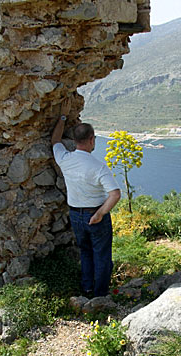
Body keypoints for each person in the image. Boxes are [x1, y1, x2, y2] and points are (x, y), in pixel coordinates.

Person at [51, 98, 121, 297]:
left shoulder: (65, 159)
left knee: (86, 252)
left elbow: (55, 141)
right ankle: (100, 295)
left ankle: (87, 288)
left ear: (74, 141)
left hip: (76, 215)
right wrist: (100, 213)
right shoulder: (98, 166)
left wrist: (62, 117)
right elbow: (115, 194)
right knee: (102, 255)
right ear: (92, 140)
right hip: (95, 216)